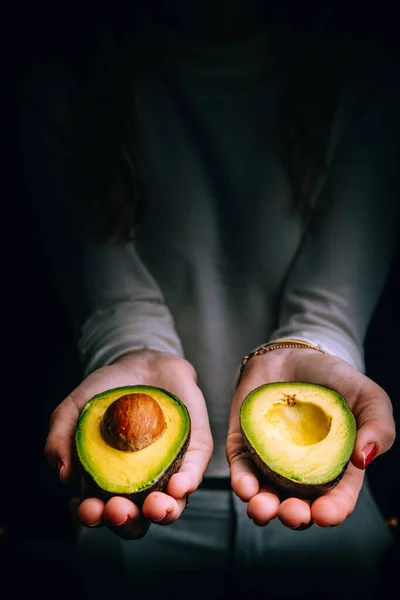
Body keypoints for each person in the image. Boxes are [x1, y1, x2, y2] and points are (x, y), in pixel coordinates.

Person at [17, 1, 399, 599]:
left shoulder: (366, 81)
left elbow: (329, 308)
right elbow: (115, 306)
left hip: (323, 514)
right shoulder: (59, 92)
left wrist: (307, 355)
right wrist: (138, 360)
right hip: (136, 516)